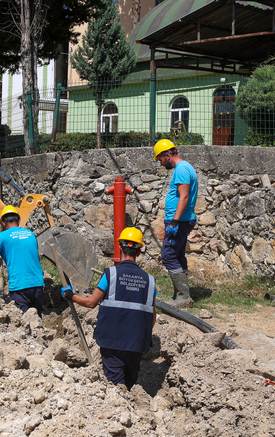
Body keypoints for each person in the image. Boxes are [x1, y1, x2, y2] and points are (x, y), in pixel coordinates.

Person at [61, 228, 156, 389]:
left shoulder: (111, 274)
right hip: (137, 343)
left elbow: (91, 302)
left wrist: (70, 296)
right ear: (138, 252)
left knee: (115, 386)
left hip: (112, 342)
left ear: (120, 248)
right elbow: (152, 317)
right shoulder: (150, 280)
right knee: (131, 384)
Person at [0, 205, 44, 315]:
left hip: (20, 286)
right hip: (37, 284)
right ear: (19, 221)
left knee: (22, 322)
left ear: (3, 223)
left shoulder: (2, 236)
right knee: (36, 318)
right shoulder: (30, 234)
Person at [153, 139, 198, 308]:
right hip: (181, 219)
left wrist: (174, 221)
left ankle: (183, 296)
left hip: (179, 221)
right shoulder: (185, 168)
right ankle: (181, 295)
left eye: (160, 159)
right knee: (177, 255)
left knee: (168, 255)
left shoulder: (181, 169)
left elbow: (184, 196)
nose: (161, 163)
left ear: (167, 155)